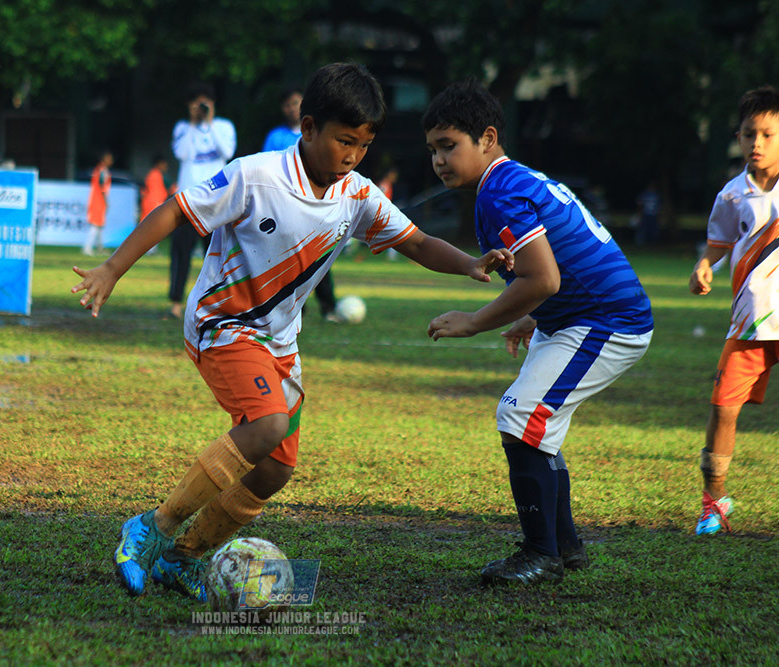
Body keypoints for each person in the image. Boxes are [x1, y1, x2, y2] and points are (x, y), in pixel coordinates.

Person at [71, 63, 513, 601]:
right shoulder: (255, 175)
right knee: (265, 425)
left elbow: (416, 242)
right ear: (308, 129)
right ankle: (151, 529)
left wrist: (470, 264)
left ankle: (182, 559)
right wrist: (111, 269)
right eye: (343, 140)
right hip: (223, 324)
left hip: (279, 343)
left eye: (363, 145)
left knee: (275, 469)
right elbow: (174, 211)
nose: (352, 155)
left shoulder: (358, 195)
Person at [423, 82, 653, 585]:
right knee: (535, 426)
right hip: (578, 314)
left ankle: (540, 552)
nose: (439, 160)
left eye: (449, 145)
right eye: (433, 149)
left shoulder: (501, 191)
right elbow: (553, 270)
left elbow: (543, 278)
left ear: (487, 138)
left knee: (521, 414)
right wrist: (532, 315)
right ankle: (565, 546)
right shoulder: (508, 181)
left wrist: (475, 321)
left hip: (606, 321)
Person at [688, 86, 779, 536]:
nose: (757, 143)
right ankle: (714, 502)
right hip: (750, 321)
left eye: (767, 134)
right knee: (723, 408)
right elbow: (719, 244)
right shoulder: (731, 195)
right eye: (749, 135)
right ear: (738, 138)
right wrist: (704, 264)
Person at [262, 87, 340, 322]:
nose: (291, 108)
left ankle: (329, 307)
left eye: (295, 102)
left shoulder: (318, 133)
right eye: (287, 104)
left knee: (317, 254)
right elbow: (267, 168)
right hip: (283, 204)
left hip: (313, 203)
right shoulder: (275, 136)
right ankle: (293, 309)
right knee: (287, 257)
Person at [168, 83, 237, 319]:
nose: (201, 106)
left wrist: (208, 123)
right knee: (181, 252)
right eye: (196, 103)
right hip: (188, 199)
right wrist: (193, 124)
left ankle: (215, 304)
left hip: (216, 200)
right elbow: (181, 154)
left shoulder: (223, 126)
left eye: (205, 102)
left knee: (216, 254)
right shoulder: (182, 128)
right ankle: (175, 303)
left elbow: (227, 151)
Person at [83, 150, 114, 256]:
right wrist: (106, 201)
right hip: (98, 201)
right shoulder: (102, 172)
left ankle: (100, 248)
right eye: (109, 158)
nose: (111, 160)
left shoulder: (100, 170)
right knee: (95, 224)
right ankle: (87, 248)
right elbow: (103, 188)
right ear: (103, 160)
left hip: (98, 200)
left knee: (100, 225)